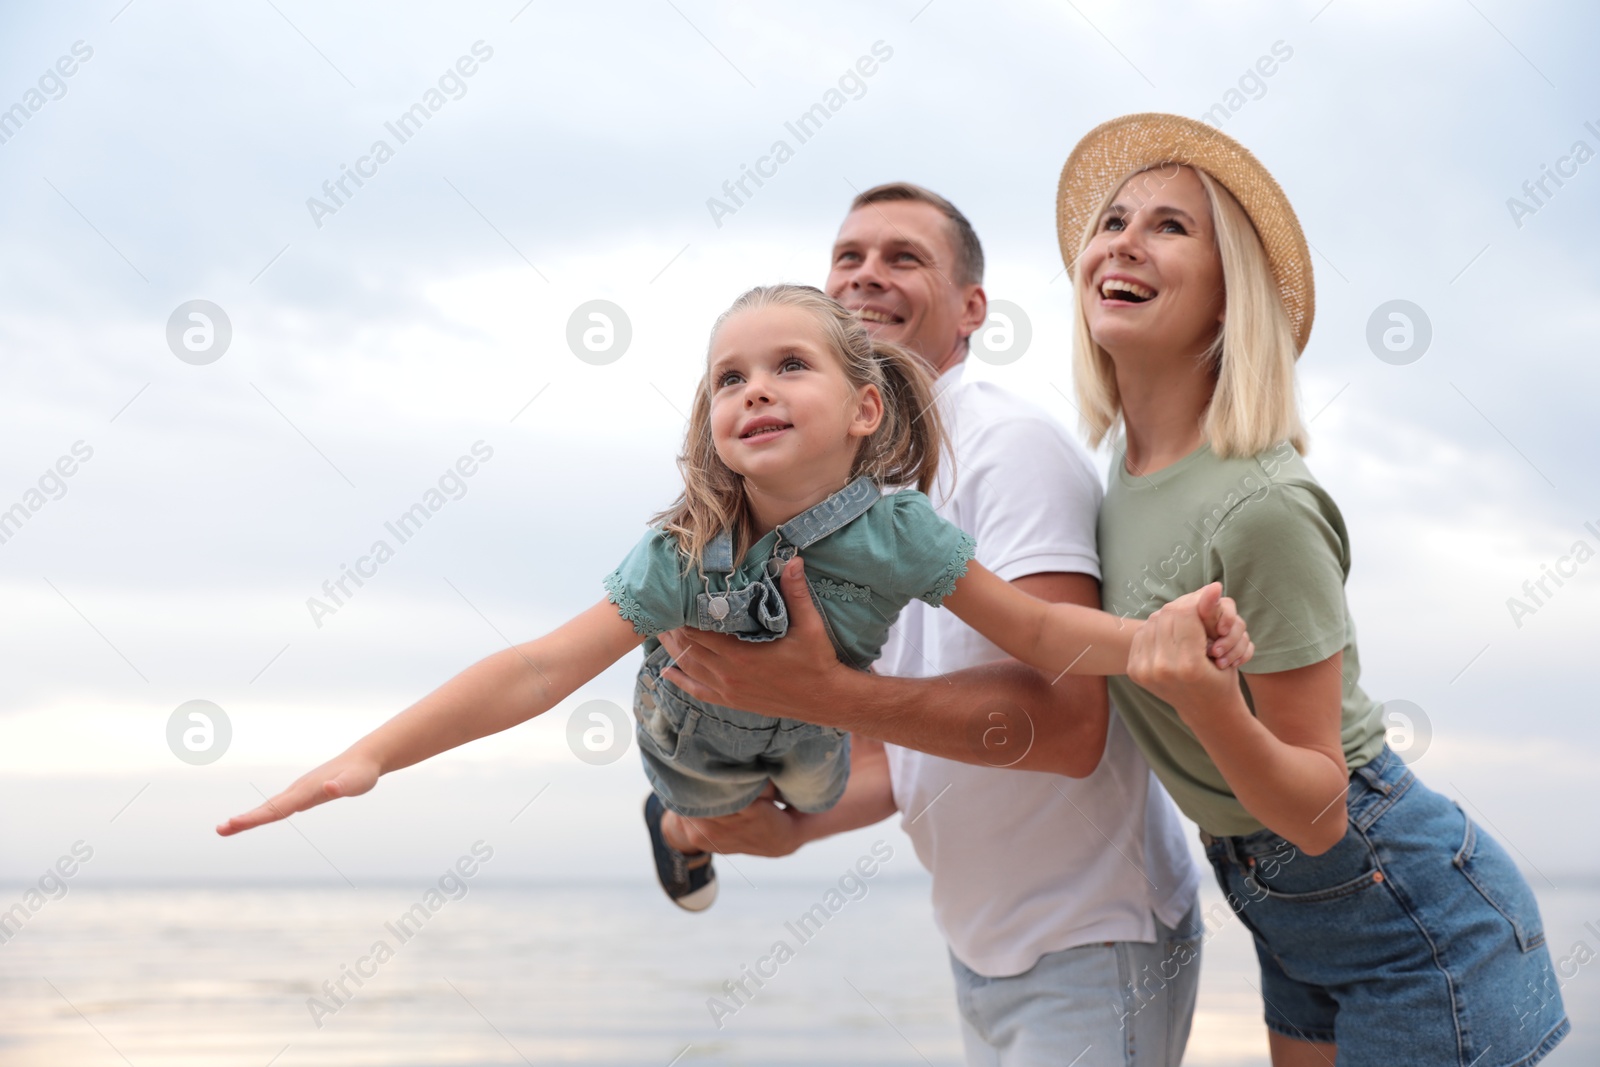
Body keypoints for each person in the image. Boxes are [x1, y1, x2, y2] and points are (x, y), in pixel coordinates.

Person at [214, 283, 1251, 921]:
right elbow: (536, 666)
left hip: (814, 745)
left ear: (863, 409)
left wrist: (1157, 634)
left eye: (786, 366)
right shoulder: (685, 551)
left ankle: (709, 829)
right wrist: (371, 757)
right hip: (694, 744)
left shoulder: (900, 532)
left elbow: (1038, 627)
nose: (751, 389)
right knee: (713, 814)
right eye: (727, 377)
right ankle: (676, 825)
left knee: (805, 793)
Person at [1051, 112, 1569, 1066]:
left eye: (1171, 225)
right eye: (1114, 219)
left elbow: (1319, 807)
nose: (1123, 238)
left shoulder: (1263, 503)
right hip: (1283, 906)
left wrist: (1209, 701)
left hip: (1414, 917)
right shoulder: (1118, 478)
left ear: (1225, 300)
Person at [657, 185, 1209, 1067]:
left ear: (970, 311)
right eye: (848, 258)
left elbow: (1070, 726)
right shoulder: (863, 497)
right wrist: (796, 828)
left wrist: (823, 692)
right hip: (984, 950)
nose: (867, 275)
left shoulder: (1005, 447)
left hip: (1093, 936)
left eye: (904, 258)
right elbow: (908, 748)